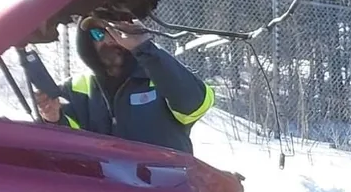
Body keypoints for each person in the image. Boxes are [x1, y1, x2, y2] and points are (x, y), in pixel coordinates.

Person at [19, 15, 214, 154]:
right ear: (87, 43)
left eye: (115, 30)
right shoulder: (74, 89)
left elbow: (196, 105)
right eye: (97, 34)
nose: (108, 39)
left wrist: (145, 48)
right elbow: (64, 147)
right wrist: (53, 118)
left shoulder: (160, 74)